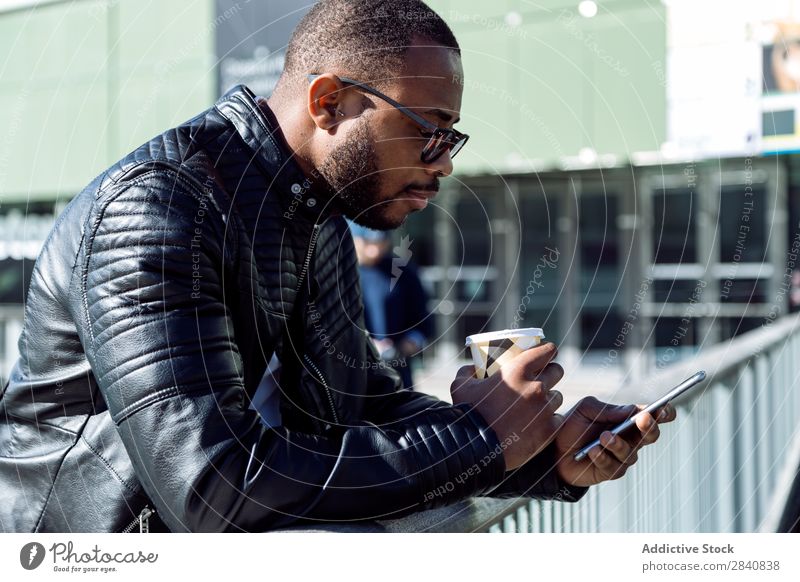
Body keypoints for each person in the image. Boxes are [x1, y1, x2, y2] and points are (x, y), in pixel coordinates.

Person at [0, 0, 675, 533]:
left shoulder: (316, 219)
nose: (444, 162)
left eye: (453, 137)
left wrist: (538, 454)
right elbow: (212, 488)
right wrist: (480, 441)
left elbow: (359, 409)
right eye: (428, 129)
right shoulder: (157, 212)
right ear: (329, 103)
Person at [350, 222, 432, 389]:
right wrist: (365, 345)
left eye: (379, 243)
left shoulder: (402, 271)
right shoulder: (340, 273)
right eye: (366, 243)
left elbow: (423, 321)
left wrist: (406, 345)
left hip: (398, 371)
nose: (373, 251)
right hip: (352, 372)